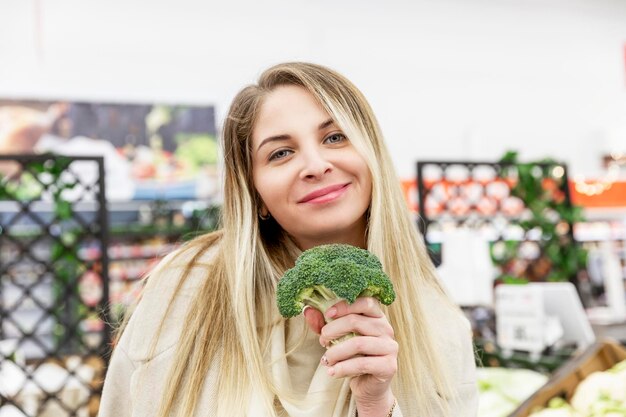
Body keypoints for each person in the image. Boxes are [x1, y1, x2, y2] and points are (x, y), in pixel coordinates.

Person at [98, 62, 478, 417]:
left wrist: (375, 403)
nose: (315, 166)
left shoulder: (437, 323)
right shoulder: (190, 284)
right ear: (256, 193)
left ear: (372, 152)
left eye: (334, 137)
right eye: (280, 153)